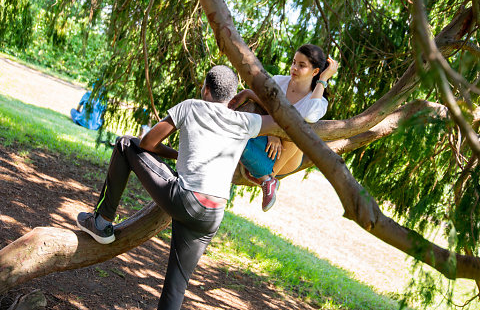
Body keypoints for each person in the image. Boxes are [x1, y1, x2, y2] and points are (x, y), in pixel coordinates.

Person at [76, 65, 277, 310]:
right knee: (176, 286)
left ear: (205, 89)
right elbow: (282, 119)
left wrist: (176, 155)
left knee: (125, 143)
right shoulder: (245, 121)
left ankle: (102, 221)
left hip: (186, 198)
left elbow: (148, 142)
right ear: (232, 96)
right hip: (213, 214)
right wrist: (250, 95)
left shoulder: (191, 106)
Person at [228, 44, 339, 212]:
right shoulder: (280, 81)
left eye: (301, 65)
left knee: (298, 130)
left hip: (286, 154)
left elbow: (309, 116)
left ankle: (267, 177)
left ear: (315, 72)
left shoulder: (318, 101)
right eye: (294, 62)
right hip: (266, 140)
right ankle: (262, 177)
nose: (294, 68)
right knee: (233, 131)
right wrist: (273, 133)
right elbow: (264, 100)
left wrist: (324, 79)